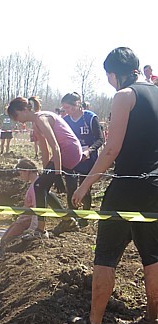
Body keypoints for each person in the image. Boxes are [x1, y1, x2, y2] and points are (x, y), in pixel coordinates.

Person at [70, 47, 158, 324]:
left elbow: (112, 149)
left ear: (113, 74)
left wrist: (86, 185)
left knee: (105, 255)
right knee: (152, 254)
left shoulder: (124, 96)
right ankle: (152, 319)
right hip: (154, 186)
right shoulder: (156, 92)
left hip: (127, 185)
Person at [7, 96, 82, 235]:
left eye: (16, 116)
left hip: (70, 151)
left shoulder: (42, 118)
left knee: (38, 186)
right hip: (62, 153)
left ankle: (40, 230)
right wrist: (46, 170)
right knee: (42, 187)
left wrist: (57, 174)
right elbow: (45, 150)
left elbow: (55, 147)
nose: (16, 120)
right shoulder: (36, 124)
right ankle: (68, 220)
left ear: (24, 110)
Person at [60, 92, 105, 227]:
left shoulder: (90, 118)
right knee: (71, 187)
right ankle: (72, 218)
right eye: (65, 109)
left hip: (88, 158)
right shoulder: (66, 121)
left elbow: (100, 139)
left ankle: (84, 217)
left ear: (78, 104)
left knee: (85, 188)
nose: (67, 111)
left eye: (69, 108)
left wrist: (89, 151)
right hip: (72, 158)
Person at [0, 158, 62, 250]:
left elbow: (38, 209)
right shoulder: (36, 184)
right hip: (24, 218)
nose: (20, 177)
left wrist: (33, 229)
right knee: (4, 239)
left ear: (27, 171)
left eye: (20, 173)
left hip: (27, 220)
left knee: (5, 241)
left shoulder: (36, 187)